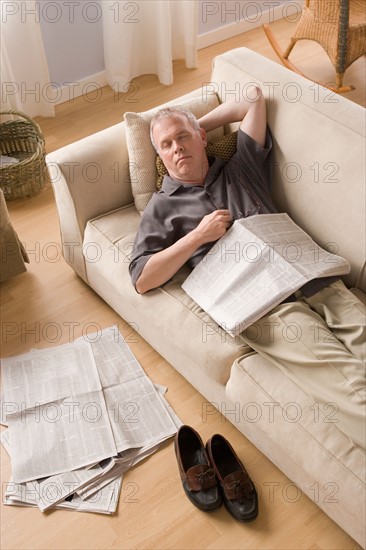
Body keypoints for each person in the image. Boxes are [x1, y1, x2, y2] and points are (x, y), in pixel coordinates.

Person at [129, 87, 366, 451]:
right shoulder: (161, 209)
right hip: (266, 306)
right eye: (166, 145)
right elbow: (143, 279)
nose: (176, 148)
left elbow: (254, 99)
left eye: (182, 139)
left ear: (203, 138)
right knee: (345, 380)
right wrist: (197, 237)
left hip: (315, 276)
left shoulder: (242, 166)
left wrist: (193, 125)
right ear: (160, 156)